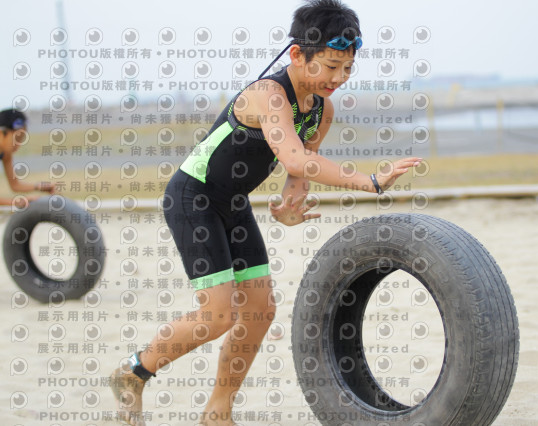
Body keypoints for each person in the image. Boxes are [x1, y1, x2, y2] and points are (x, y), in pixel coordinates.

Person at [110, 1, 423, 425]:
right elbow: (294, 158)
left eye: (348, 68)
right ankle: (133, 372)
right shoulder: (268, 95)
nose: (338, 78)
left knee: (259, 312)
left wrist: (291, 204)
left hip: (233, 203)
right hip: (193, 197)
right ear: (297, 54)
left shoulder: (322, 110)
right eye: (331, 66)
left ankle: (218, 411)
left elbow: (298, 171)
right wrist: (370, 181)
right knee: (218, 315)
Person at [0, 108, 55, 206]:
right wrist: (15, 202)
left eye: (21, 139)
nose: (18, 145)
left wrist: (40, 186)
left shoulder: (5, 154)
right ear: (2, 132)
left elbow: (15, 185)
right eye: (16, 138)